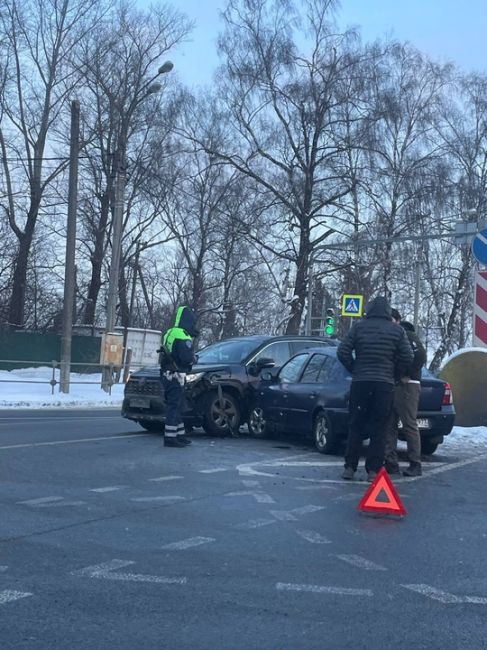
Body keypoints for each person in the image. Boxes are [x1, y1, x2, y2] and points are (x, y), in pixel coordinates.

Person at [337, 296, 413, 482]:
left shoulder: (359, 328)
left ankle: (350, 467)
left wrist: (354, 368)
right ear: (388, 312)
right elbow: (408, 356)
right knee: (380, 428)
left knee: (356, 425)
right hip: (384, 385)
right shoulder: (397, 331)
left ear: (369, 311)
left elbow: (342, 351)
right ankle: (373, 470)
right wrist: (395, 374)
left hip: (361, 383)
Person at [384, 310, 427, 477]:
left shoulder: (406, 334)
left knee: (409, 425)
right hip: (394, 384)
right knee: (390, 424)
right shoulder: (394, 335)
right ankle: (391, 462)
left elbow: (420, 355)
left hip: (407, 385)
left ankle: (415, 463)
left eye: (391, 320)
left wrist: (406, 373)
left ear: (398, 320)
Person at [159, 305, 199, 448]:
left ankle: (180, 435)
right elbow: (186, 358)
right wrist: (194, 359)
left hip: (166, 374)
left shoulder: (170, 332)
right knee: (174, 407)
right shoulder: (183, 335)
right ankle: (170, 438)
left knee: (178, 405)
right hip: (176, 375)